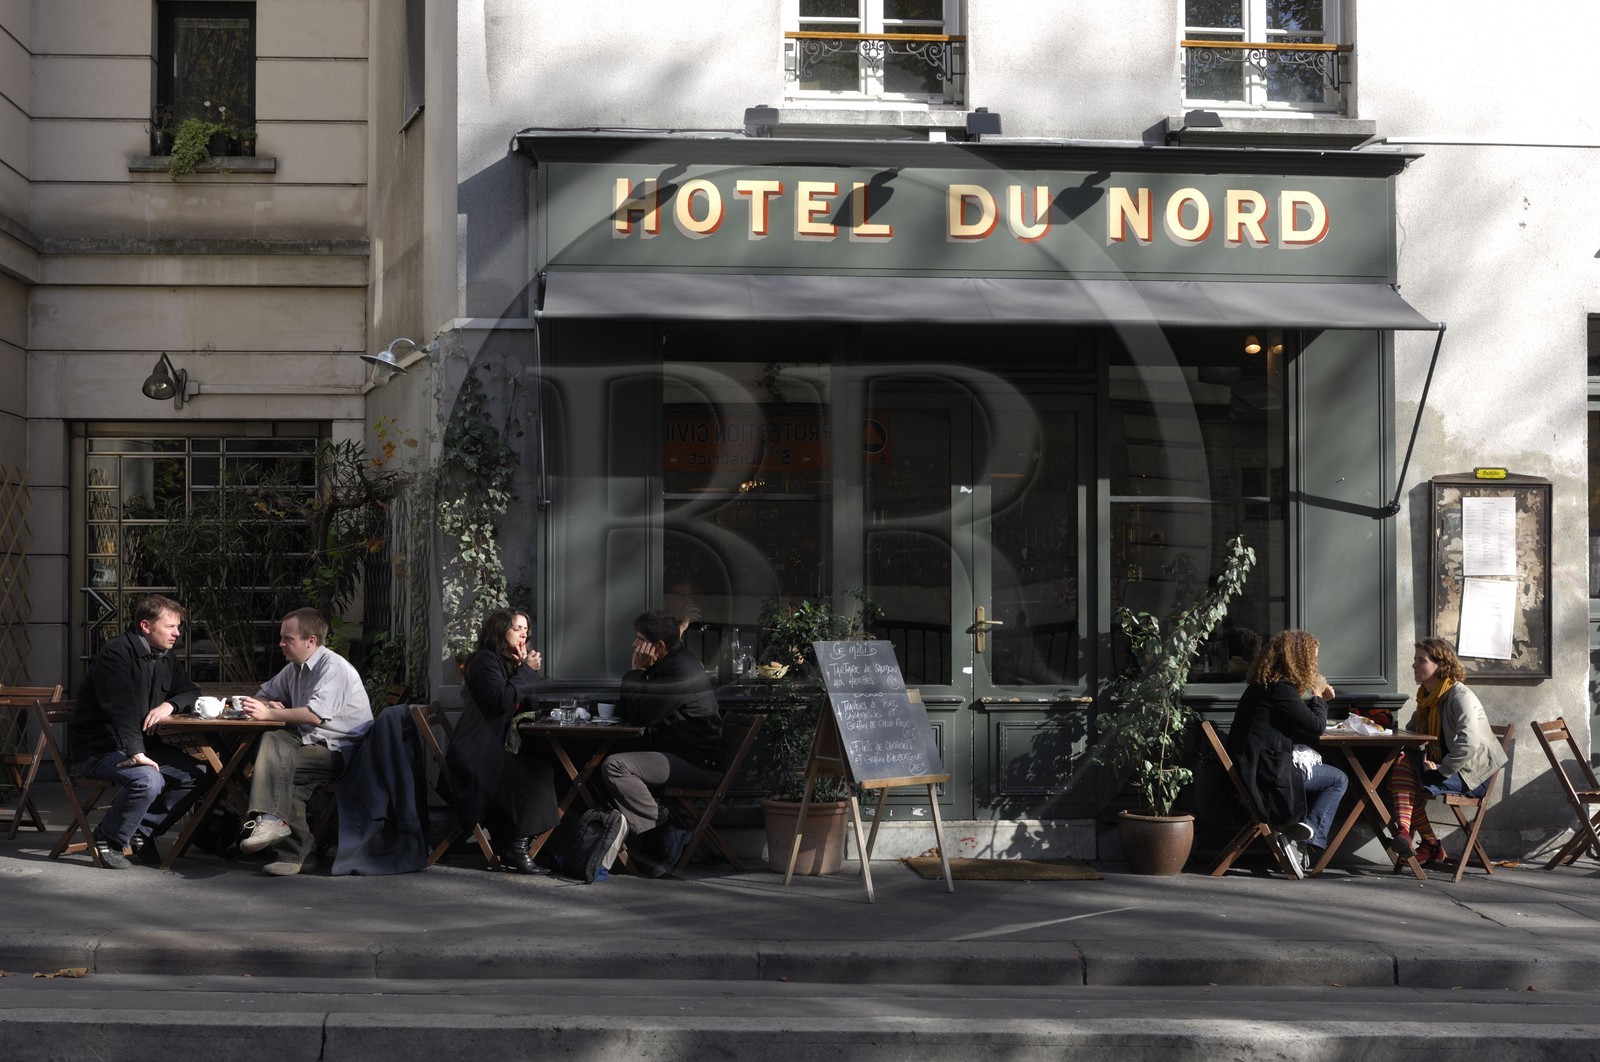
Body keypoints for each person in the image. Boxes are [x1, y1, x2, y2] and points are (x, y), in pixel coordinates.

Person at [67, 595, 211, 869]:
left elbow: (191, 691)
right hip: (100, 749)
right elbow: (120, 709)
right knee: (148, 780)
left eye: (177, 627)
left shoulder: (165, 657)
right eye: (170, 626)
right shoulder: (116, 654)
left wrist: (169, 705)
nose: (177, 633)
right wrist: (137, 752)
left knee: (200, 774)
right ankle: (108, 838)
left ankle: (142, 832)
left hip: (140, 745)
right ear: (145, 626)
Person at [236, 608, 372, 876]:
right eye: (281, 638)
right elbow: (264, 693)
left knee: (272, 769)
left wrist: (272, 713)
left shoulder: (334, 668)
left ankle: (288, 843)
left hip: (342, 750)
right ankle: (293, 846)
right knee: (274, 742)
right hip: (309, 743)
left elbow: (315, 715)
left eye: (288, 639)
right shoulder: (294, 669)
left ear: (311, 641)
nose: (281, 644)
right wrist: (268, 704)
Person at [601, 608, 724, 876]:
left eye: (638, 639)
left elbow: (638, 716)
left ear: (658, 646)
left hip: (695, 762)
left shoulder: (679, 671)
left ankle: (666, 829)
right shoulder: (667, 665)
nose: (634, 645)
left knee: (615, 766)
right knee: (600, 757)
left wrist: (635, 671)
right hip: (673, 754)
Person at [1225, 629, 1348, 878]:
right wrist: (1319, 696)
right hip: (1264, 776)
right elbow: (1316, 726)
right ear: (1299, 659)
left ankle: (1299, 836)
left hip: (1255, 766)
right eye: (1312, 659)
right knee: (1338, 779)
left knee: (1330, 775)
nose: (1315, 666)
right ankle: (1302, 839)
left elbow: (1298, 725)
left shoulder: (1265, 686)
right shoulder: (1280, 689)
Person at [446, 609, 559, 874]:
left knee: (542, 769)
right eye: (518, 628)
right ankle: (517, 848)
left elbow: (527, 704)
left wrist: (523, 670)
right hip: (475, 755)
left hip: (491, 749)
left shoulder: (506, 663)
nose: (524, 634)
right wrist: (526, 673)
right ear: (500, 630)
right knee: (536, 776)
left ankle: (516, 841)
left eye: (526, 629)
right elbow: (502, 701)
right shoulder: (485, 661)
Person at [1388, 637, 1507, 868]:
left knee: (1401, 777)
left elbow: (1468, 744)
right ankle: (1422, 840)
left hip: (1472, 774)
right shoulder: (1426, 698)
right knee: (1400, 770)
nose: (1414, 665)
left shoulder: (1459, 697)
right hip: (1446, 766)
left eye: (1421, 660)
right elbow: (1413, 734)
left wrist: (1441, 770)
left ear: (1441, 665)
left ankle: (1422, 840)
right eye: (1414, 660)